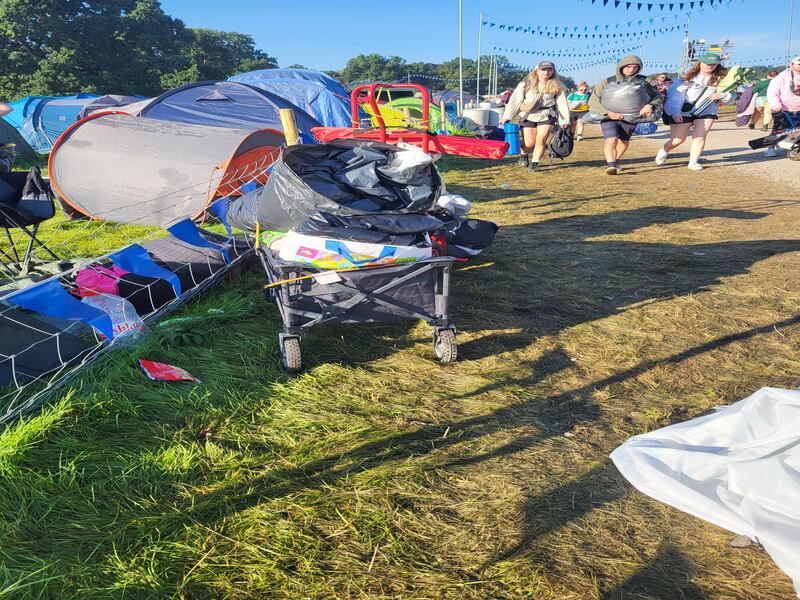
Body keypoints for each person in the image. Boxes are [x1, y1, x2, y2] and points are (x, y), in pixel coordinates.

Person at [655, 53, 732, 171]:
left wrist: (722, 95)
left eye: (714, 64)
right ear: (700, 63)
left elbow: (732, 97)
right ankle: (664, 150)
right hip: (684, 111)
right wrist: (675, 112)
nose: (710, 66)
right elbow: (675, 96)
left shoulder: (722, 79)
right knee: (678, 139)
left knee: (700, 137)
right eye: (707, 63)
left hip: (707, 111)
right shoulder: (687, 78)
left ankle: (693, 162)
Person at [588, 54, 662, 175]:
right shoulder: (606, 82)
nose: (631, 69)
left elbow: (658, 95)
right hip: (609, 116)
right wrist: (607, 113)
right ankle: (611, 165)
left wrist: (650, 105)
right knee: (610, 140)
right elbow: (593, 100)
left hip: (631, 117)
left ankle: (615, 160)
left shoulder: (646, 81)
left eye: (635, 67)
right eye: (628, 66)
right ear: (621, 66)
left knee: (624, 141)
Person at [500, 60, 570, 172]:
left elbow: (562, 104)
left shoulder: (558, 86)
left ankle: (534, 163)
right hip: (528, 116)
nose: (547, 72)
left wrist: (564, 120)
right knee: (529, 143)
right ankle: (524, 154)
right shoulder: (525, 84)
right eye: (543, 69)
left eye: (550, 69)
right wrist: (506, 116)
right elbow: (515, 101)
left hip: (547, 115)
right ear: (537, 70)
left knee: (541, 140)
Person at [765, 57, 800, 157]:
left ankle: (794, 146)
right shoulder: (781, 77)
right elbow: (772, 92)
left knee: (797, 130)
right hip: (782, 109)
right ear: (792, 64)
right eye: (798, 64)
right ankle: (770, 148)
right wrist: (776, 104)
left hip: (798, 109)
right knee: (779, 130)